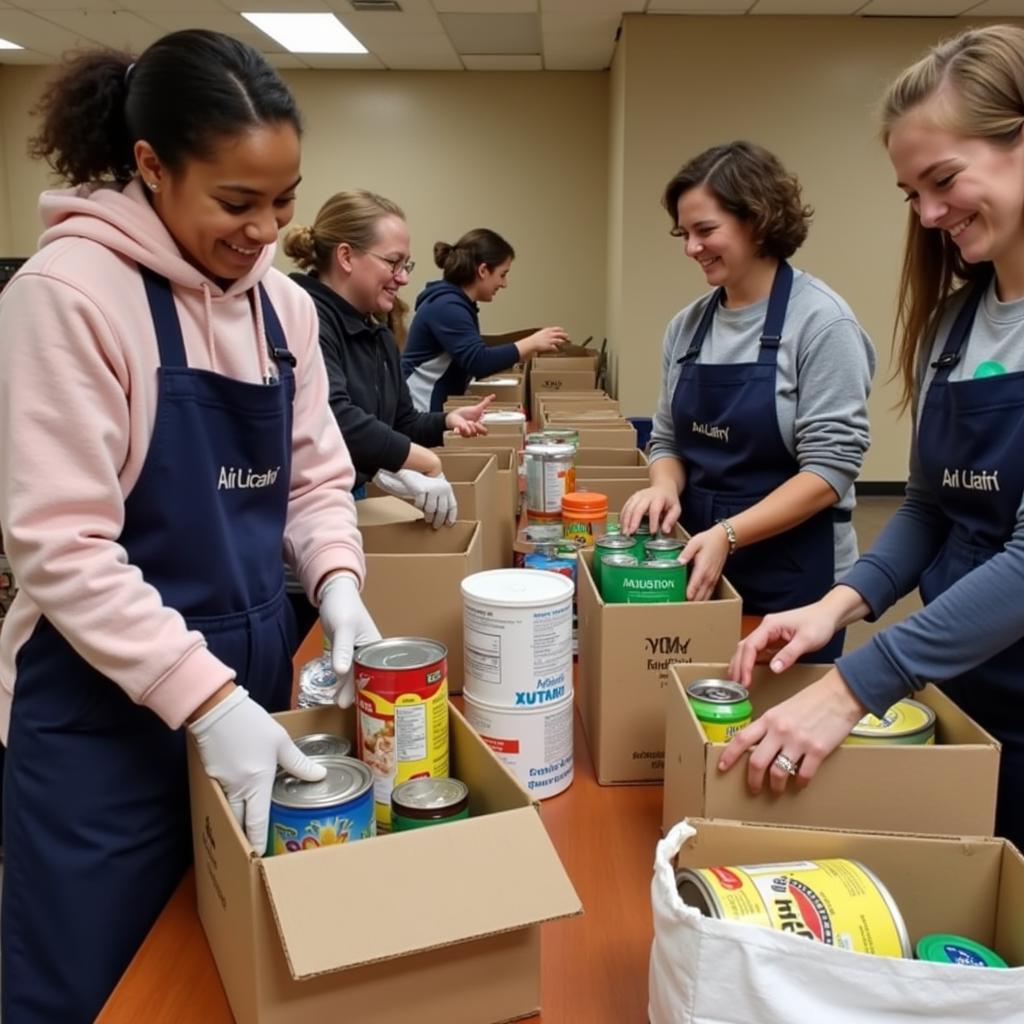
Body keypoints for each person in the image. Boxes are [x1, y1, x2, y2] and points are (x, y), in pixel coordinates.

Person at [0, 30, 380, 1021]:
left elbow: (312, 480)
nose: (266, 228)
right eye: (236, 202)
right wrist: (204, 705)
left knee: (229, 968)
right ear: (151, 167)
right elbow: (61, 545)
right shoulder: (67, 296)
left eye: (285, 199)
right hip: (99, 716)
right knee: (100, 985)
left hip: (248, 685)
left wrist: (338, 585)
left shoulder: (282, 312)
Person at [726, 25, 1024, 852]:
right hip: (963, 684)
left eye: (944, 180)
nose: (929, 216)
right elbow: (929, 510)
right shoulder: (955, 326)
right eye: (911, 195)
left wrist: (856, 684)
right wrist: (839, 603)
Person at [620, 142, 875, 660]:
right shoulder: (687, 327)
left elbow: (830, 471)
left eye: (705, 231)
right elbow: (667, 439)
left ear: (758, 221)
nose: (691, 248)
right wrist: (664, 486)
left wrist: (730, 534)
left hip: (794, 578)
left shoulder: (823, 324)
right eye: (684, 234)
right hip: (701, 560)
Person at [284, 189, 493, 518]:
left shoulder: (376, 333)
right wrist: (424, 460)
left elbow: (401, 421)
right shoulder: (303, 316)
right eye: (393, 262)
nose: (404, 277)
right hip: (301, 510)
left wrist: (444, 422)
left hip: (351, 495)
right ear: (346, 257)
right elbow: (335, 419)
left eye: (405, 264)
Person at [401, 228, 569, 411]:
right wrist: (532, 342)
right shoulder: (447, 307)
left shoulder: (455, 303)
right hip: (420, 409)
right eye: (502, 274)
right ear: (483, 270)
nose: (504, 284)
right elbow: (478, 361)